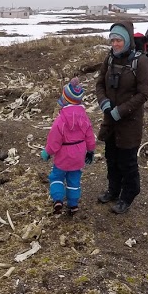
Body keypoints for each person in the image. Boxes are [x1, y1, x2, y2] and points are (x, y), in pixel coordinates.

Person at [94, 21, 148, 214]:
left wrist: (121, 110)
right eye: (112, 40)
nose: (115, 44)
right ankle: (114, 190)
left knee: (127, 161)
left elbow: (143, 94)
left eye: (118, 40)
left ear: (127, 40)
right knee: (111, 158)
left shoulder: (140, 61)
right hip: (110, 120)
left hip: (129, 123)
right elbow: (99, 84)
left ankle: (128, 195)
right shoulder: (110, 59)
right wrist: (103, 102)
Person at [42, 78, 96, 215]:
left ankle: (58, 199)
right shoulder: (84, 117)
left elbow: (54, 139)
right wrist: (90, 151)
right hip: (79, 154)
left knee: (56, 177)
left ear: (65, 99)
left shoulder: (61, 119)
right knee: (74, 179)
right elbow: (90, 136)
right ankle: (73, 204)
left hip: (63, 155)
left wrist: (47, 152)